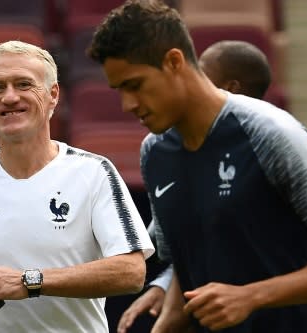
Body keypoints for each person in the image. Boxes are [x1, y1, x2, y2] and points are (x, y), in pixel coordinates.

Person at [87, 1, 307, 332]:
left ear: (173, 61)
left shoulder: (270, 134)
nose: (127, 105)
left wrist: (251, 297)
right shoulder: (154, 152)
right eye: (119, 90)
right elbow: (189, 261)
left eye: (135, 85)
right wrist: (167, 322)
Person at [0, 40, 155, 333]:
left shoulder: (94, 172)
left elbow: (131, 271)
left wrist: (28, 281)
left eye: (23, 84)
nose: (9, 97)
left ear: (53, 95)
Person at [116, 39, 273, 333]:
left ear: (232, 88)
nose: (189, 81)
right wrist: (165, 286)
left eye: (202, 73)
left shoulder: (271, 148)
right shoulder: (178, 150)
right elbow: (203, 243)